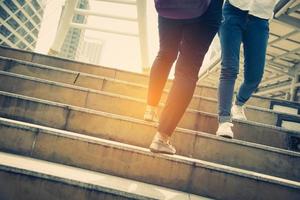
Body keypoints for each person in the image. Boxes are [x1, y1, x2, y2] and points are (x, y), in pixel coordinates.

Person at [145, 0, 224, 154]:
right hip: (206, 8)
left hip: (169, 5)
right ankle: (161, 138)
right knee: (187, 70)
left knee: (165, 54)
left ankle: (150, 109)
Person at [216, 0, 279, 138]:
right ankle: (224, 121)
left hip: (260, 19)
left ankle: (238, 104)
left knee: (255, 76)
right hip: (232, 11)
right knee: (229, 68)